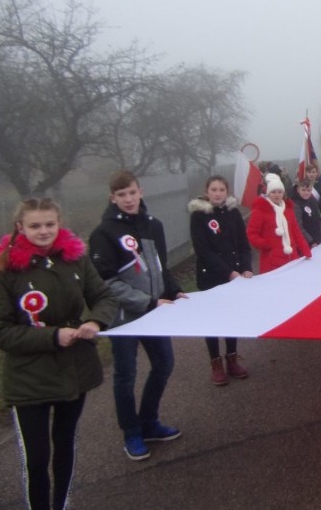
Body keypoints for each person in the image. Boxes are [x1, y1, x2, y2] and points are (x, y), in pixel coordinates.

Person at [0, 198, 118, 510]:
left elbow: (103, 296)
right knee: (37, 458)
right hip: (29, 378)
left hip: (75, 370)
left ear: (59, 224)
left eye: (50, 224)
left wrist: (95, 319)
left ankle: (61, 503)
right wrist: (52, 336)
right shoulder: (3, 269)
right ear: (20, 227)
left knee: (64, 446)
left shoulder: (75, 259)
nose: (44, 231)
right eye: (35, 226)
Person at [89, 170, 187, 461]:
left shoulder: (153, 225)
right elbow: (106, 281)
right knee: (125, 375)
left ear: (140, 191)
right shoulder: (104, 233)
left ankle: (148, 422)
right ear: (113, 198)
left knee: (164, 364)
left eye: (132, 192)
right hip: (125, 317)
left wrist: (175, 290)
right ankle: (131, 432)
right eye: (121, 195)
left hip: (153, 311)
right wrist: (146, 302)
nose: (128, 199)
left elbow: (160, 266)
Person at [188, 175, 253, 386]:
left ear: (227, 192)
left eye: (221, 190)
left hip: (234, 276)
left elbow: (243, 244)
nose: (217, 193)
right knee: (213, 322)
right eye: (213, 189)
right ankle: (216, 363)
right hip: (211, 277)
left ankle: (232, 359)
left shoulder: (233, 213)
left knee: (232, 319)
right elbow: (203, 251)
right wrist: (229, 273)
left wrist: (246, 268)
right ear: (207, 192)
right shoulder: (199, 216)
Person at [247, 173, 312, 273]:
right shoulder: (260, 210)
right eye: (273, 192)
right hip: (271, 261)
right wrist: (266, 244)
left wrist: (305, 249)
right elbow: (251, 234)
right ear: (268, 193)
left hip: (292, 257)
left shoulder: (288, 209)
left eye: (279, 192)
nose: (277, 195)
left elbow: (296, 232)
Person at [292, 178, 321, 246]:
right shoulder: (296, 205)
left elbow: (318, 218)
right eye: (303, 190)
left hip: (317, 237)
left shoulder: (312, 200)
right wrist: (311, 241)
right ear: (298, 190)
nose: (306, 193)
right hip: (307, 242)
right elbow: (299, 226)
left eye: (308, 190)